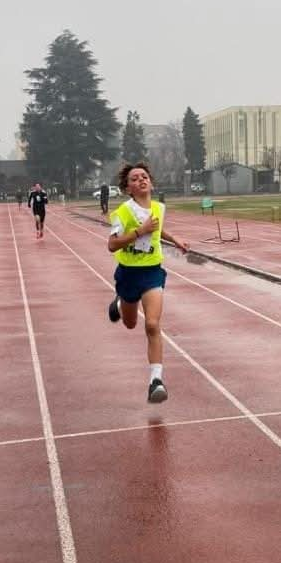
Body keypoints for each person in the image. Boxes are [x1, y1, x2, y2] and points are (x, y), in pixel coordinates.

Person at [107, 161, 188, 403]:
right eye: (134, 178)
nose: (141, 180)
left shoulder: (159, 208)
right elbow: (112, 244)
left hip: (152, 271)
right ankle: (121, 304)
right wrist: (139, 231)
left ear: (150, 181)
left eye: (144, 176)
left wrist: (176, 239)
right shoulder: (122, 212)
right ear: (128, 188)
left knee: (152, 325)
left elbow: (158, 229)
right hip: (128, 274)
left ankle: (156, 381)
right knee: (131, 324)